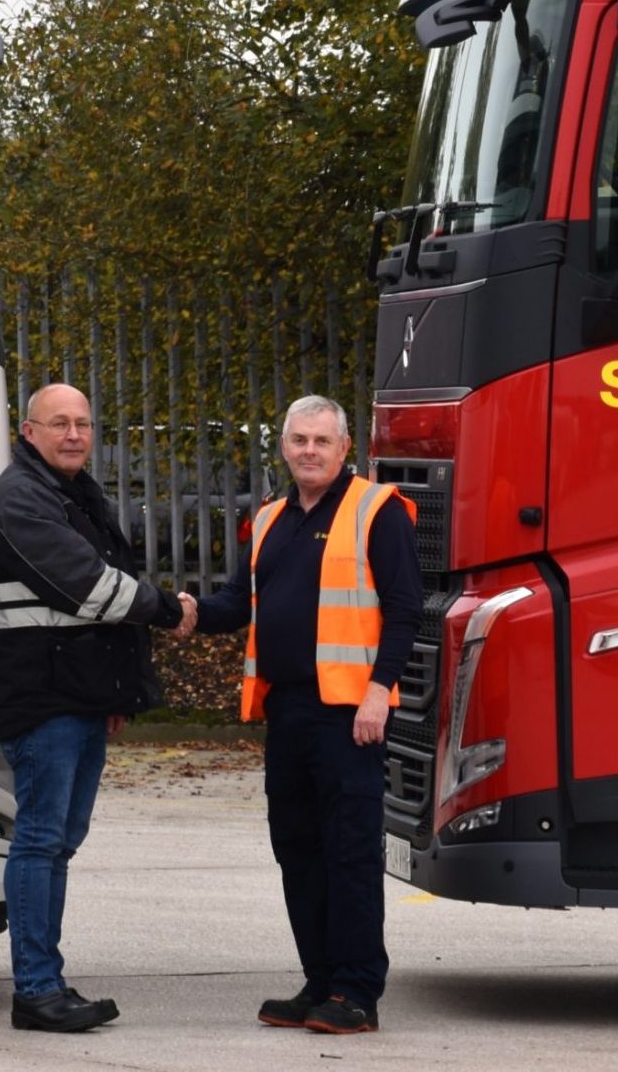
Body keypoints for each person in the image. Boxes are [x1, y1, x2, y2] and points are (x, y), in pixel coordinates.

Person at [189, 394, 419, 1036]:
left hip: (351, 713)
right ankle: (320, 982)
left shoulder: (377, 510)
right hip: (287, 709)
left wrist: (381, 690)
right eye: (299, 441)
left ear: (346, 448)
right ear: (284, 447)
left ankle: (356, 992)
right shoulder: (270, 519)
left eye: (322, 441)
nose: (310, 451)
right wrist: (183, 611)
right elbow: (240, 602)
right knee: (298, 849)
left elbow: (405, 609)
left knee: (348, 851)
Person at [0, 382, 196, 1032]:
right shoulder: (21, 497)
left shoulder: (69, 491)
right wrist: (169, 609)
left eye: (83, 423)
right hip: (43, 699)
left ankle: (47, 981)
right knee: (42, 841)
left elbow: (100, 591)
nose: (74, 434)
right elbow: (90, 585)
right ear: (28, 430)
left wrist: (115, 691)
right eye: (59, 424)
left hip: (76, 697)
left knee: (58, 843)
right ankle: (36, 989)